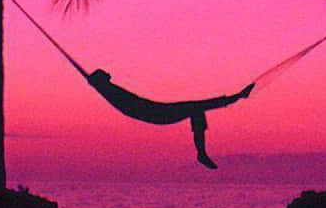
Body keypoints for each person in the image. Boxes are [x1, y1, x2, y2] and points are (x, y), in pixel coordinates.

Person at [84, 70, 254, 169]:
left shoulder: (109, 89)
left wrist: (95, 82)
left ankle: (235, 98)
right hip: (155, 113)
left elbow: (101, 84)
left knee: (197, 108)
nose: (110, 76)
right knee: (197, 107)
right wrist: (95, 82)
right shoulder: (110, 91)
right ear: (102, 80)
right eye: (106, 76)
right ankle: (236, 97)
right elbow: (103, 86)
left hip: (154, 110)